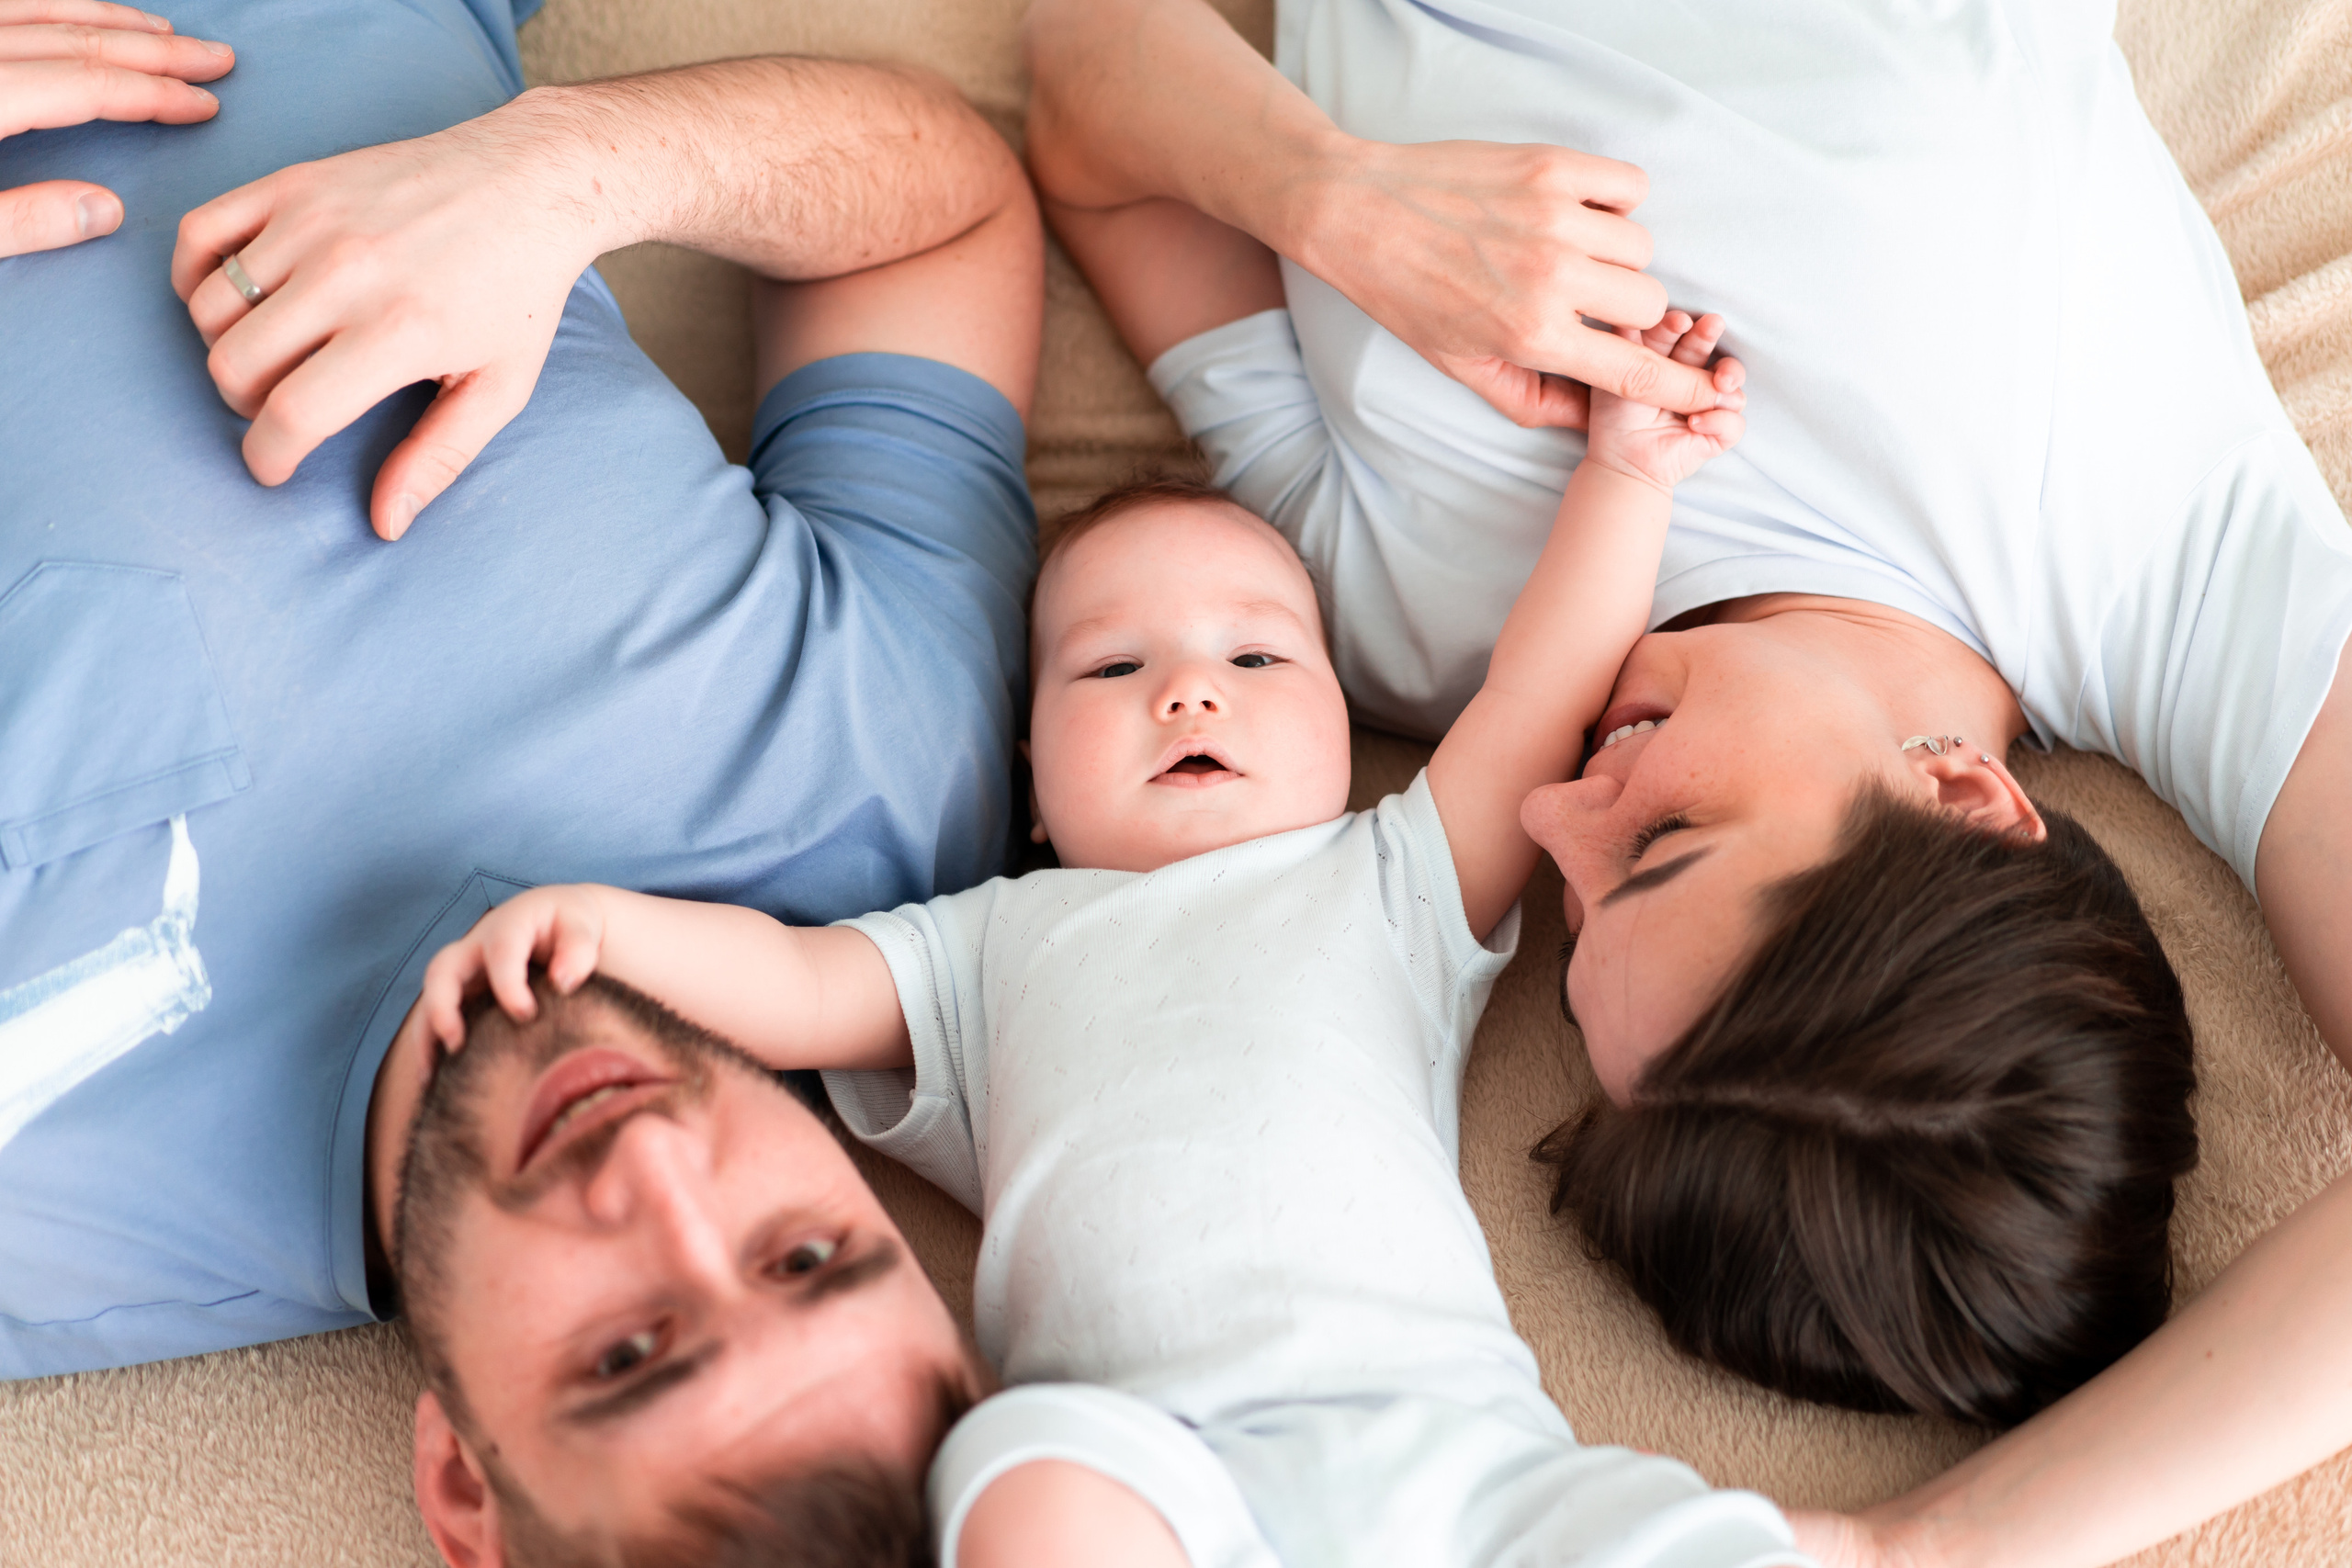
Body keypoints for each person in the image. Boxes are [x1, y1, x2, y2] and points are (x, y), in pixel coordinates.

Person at [1021, 0, 2352, 1562]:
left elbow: (1084, 82)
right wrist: (1940, 1557)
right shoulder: (2152, 565)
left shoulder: (1400, 641)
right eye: (1661, 842)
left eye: (1574, 925)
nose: (1545, 816)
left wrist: (1327, 191)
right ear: (1967, 802)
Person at [385, 314, 1807, 1565]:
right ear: (1031, 776)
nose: (1190, 693)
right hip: (1144, 1480)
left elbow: (1536, 696)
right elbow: (800, 984)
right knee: (1036, 1497)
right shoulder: (993, 941)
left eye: (1258, 657)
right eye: (1114, 667)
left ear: (1346, 720)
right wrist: (605, 934)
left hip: (1465, 1472)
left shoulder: (1397, 881)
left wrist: (1628, 474)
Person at [0, 0, 1041, 1380]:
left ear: (463, 1498)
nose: (654, 1164)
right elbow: (941, 214)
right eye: (804, 1254)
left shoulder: (44, 1217)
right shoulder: (879, 800)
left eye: (631, 1353)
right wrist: (575, 169)